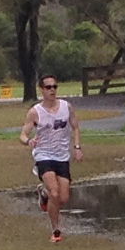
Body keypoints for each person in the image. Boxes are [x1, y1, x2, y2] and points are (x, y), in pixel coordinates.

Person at [23, 73, 80, 240]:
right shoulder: (35, 112)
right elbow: (23, 134)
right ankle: (56, 231)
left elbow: (75, 127)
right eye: (48, 87)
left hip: (62, 156)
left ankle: (43, 193)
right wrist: (28, 141)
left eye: (55, 86)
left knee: (63, 198)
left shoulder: (66, 107)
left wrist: (77, 147)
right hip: (44, 155)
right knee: (54, 192)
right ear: (42, 90)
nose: (52, 90)